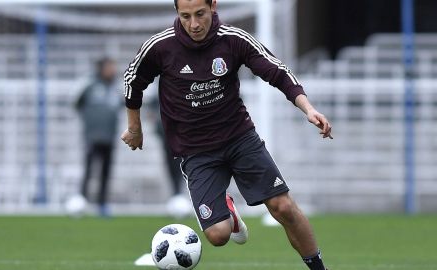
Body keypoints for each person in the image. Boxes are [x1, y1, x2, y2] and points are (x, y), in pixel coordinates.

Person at [121, 1, 332, 269]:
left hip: (239, 139)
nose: (194, 24)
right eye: (185, 16)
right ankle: (228, 213)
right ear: (177, 13)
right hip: (196, 151)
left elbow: (277, 72)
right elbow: (132, 81)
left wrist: (308, 109)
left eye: (200, 14)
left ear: (213, 6)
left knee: (283, 207)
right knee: (218, 235)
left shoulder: (232, 40)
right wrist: (135, 128)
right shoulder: (161, 47)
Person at [75, 57, 120, 217]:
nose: (112, 70)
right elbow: (77, 104)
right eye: (109, 67)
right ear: (101, 68)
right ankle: (81, 202)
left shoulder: (116, 88)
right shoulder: (90, 86)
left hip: (110, 137)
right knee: (89, 170)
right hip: (92, 136)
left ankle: (102, 204)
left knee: (105, 172)